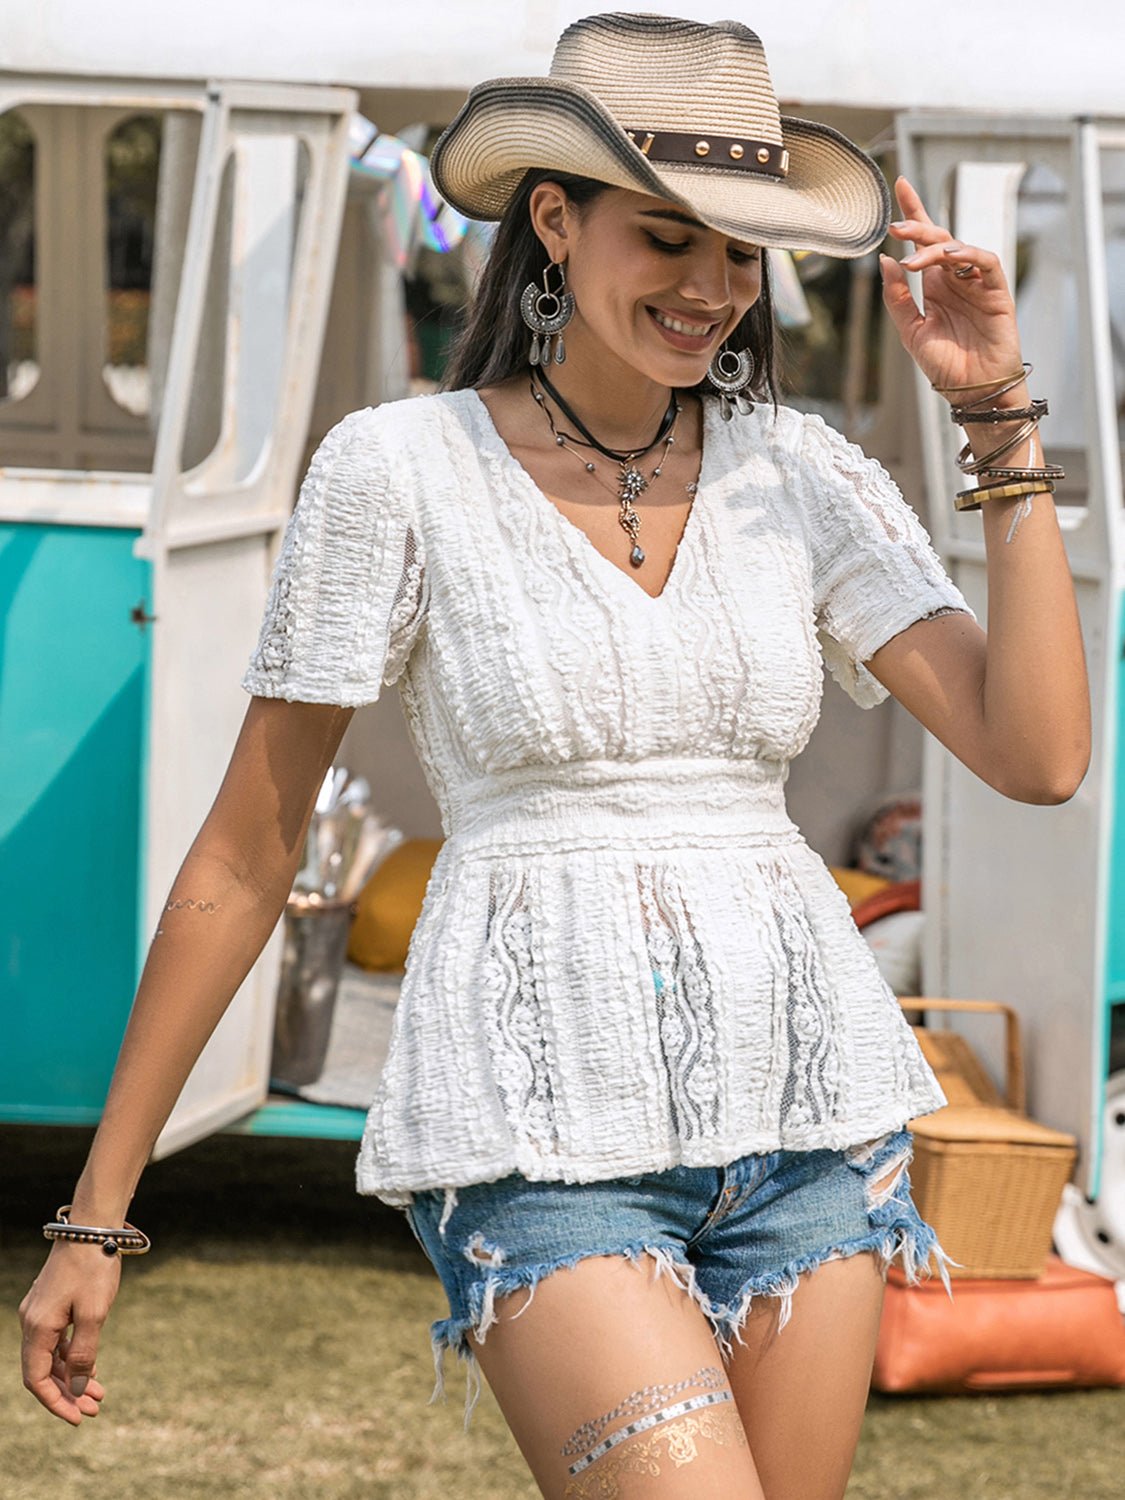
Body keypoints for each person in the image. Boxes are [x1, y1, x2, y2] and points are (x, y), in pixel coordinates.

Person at [19, 12, 1090, 1499]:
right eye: (667, 237)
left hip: (811, 1125)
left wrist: (991, 411)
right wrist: (95, 1212)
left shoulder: (803, 476)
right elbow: (247, 850)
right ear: (552, 217)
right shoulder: (397, 471)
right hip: (536, 1132)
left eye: (738, 252)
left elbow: (1036, 755)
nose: (711, 287)